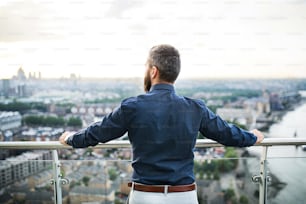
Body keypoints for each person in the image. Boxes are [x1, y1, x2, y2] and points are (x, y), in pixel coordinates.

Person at [59, 44, 264, 204]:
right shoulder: (195, 108)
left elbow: (97, 133)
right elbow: (227, 133)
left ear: (153, 71)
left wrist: (70, 138)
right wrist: (253, 137)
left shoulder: (132, 107)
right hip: (184, 196)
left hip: (145, 196)